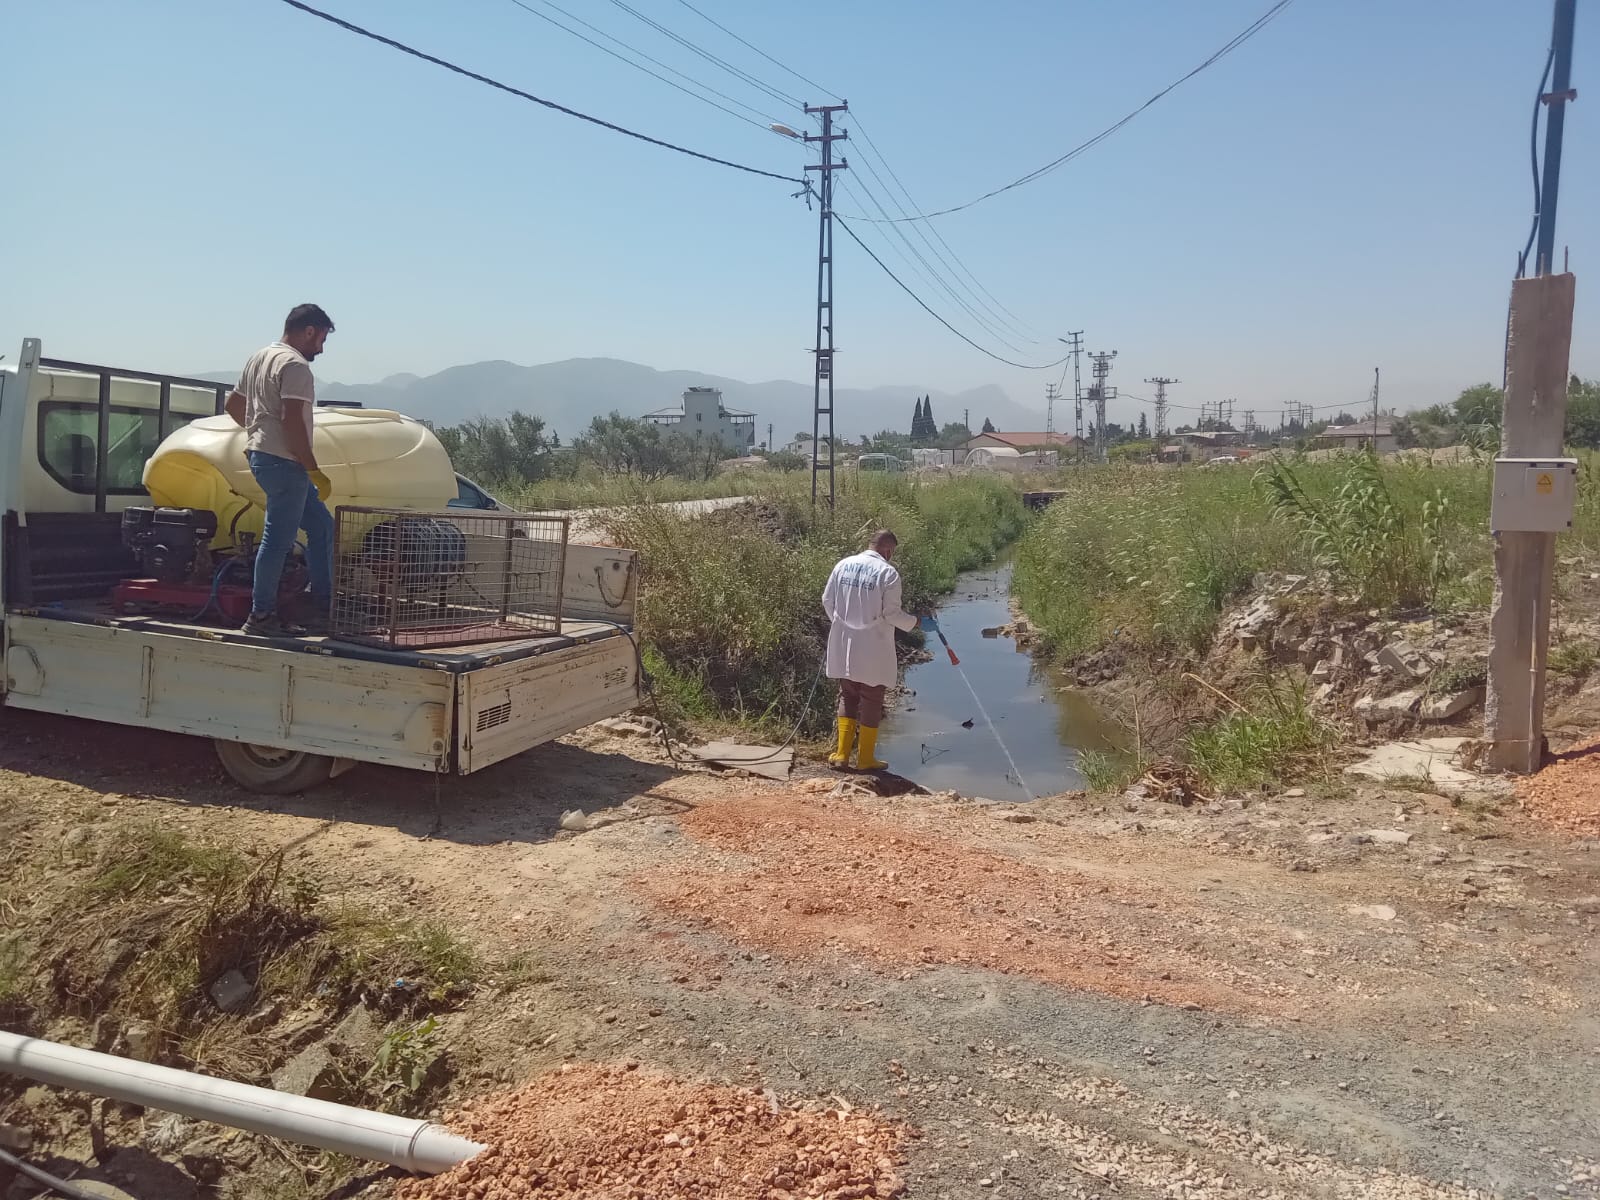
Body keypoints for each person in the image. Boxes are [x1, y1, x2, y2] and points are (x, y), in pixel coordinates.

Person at [225, 304, 336, 637]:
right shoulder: (296, 365)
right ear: (309, 331)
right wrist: (312, 468)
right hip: (286, 463)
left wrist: (258, 432)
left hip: (264, 457)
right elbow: (291, 420)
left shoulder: (261, 357)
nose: (321, 348)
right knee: (278, 541)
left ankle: (323, 605)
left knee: (321, 526)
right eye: (322, 339)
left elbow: (233, 405)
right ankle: (261, 617)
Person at [821, 530, 926, 771]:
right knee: (872, 697)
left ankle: (841, 755)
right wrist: (916, 623)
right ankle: (865, 759)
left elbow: (828, 601)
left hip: (844, 642)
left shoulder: (843, 564)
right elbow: (891, 614)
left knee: (847, 695)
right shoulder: (887, 573)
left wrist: (843, 625)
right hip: (874, 645)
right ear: (888, 551)